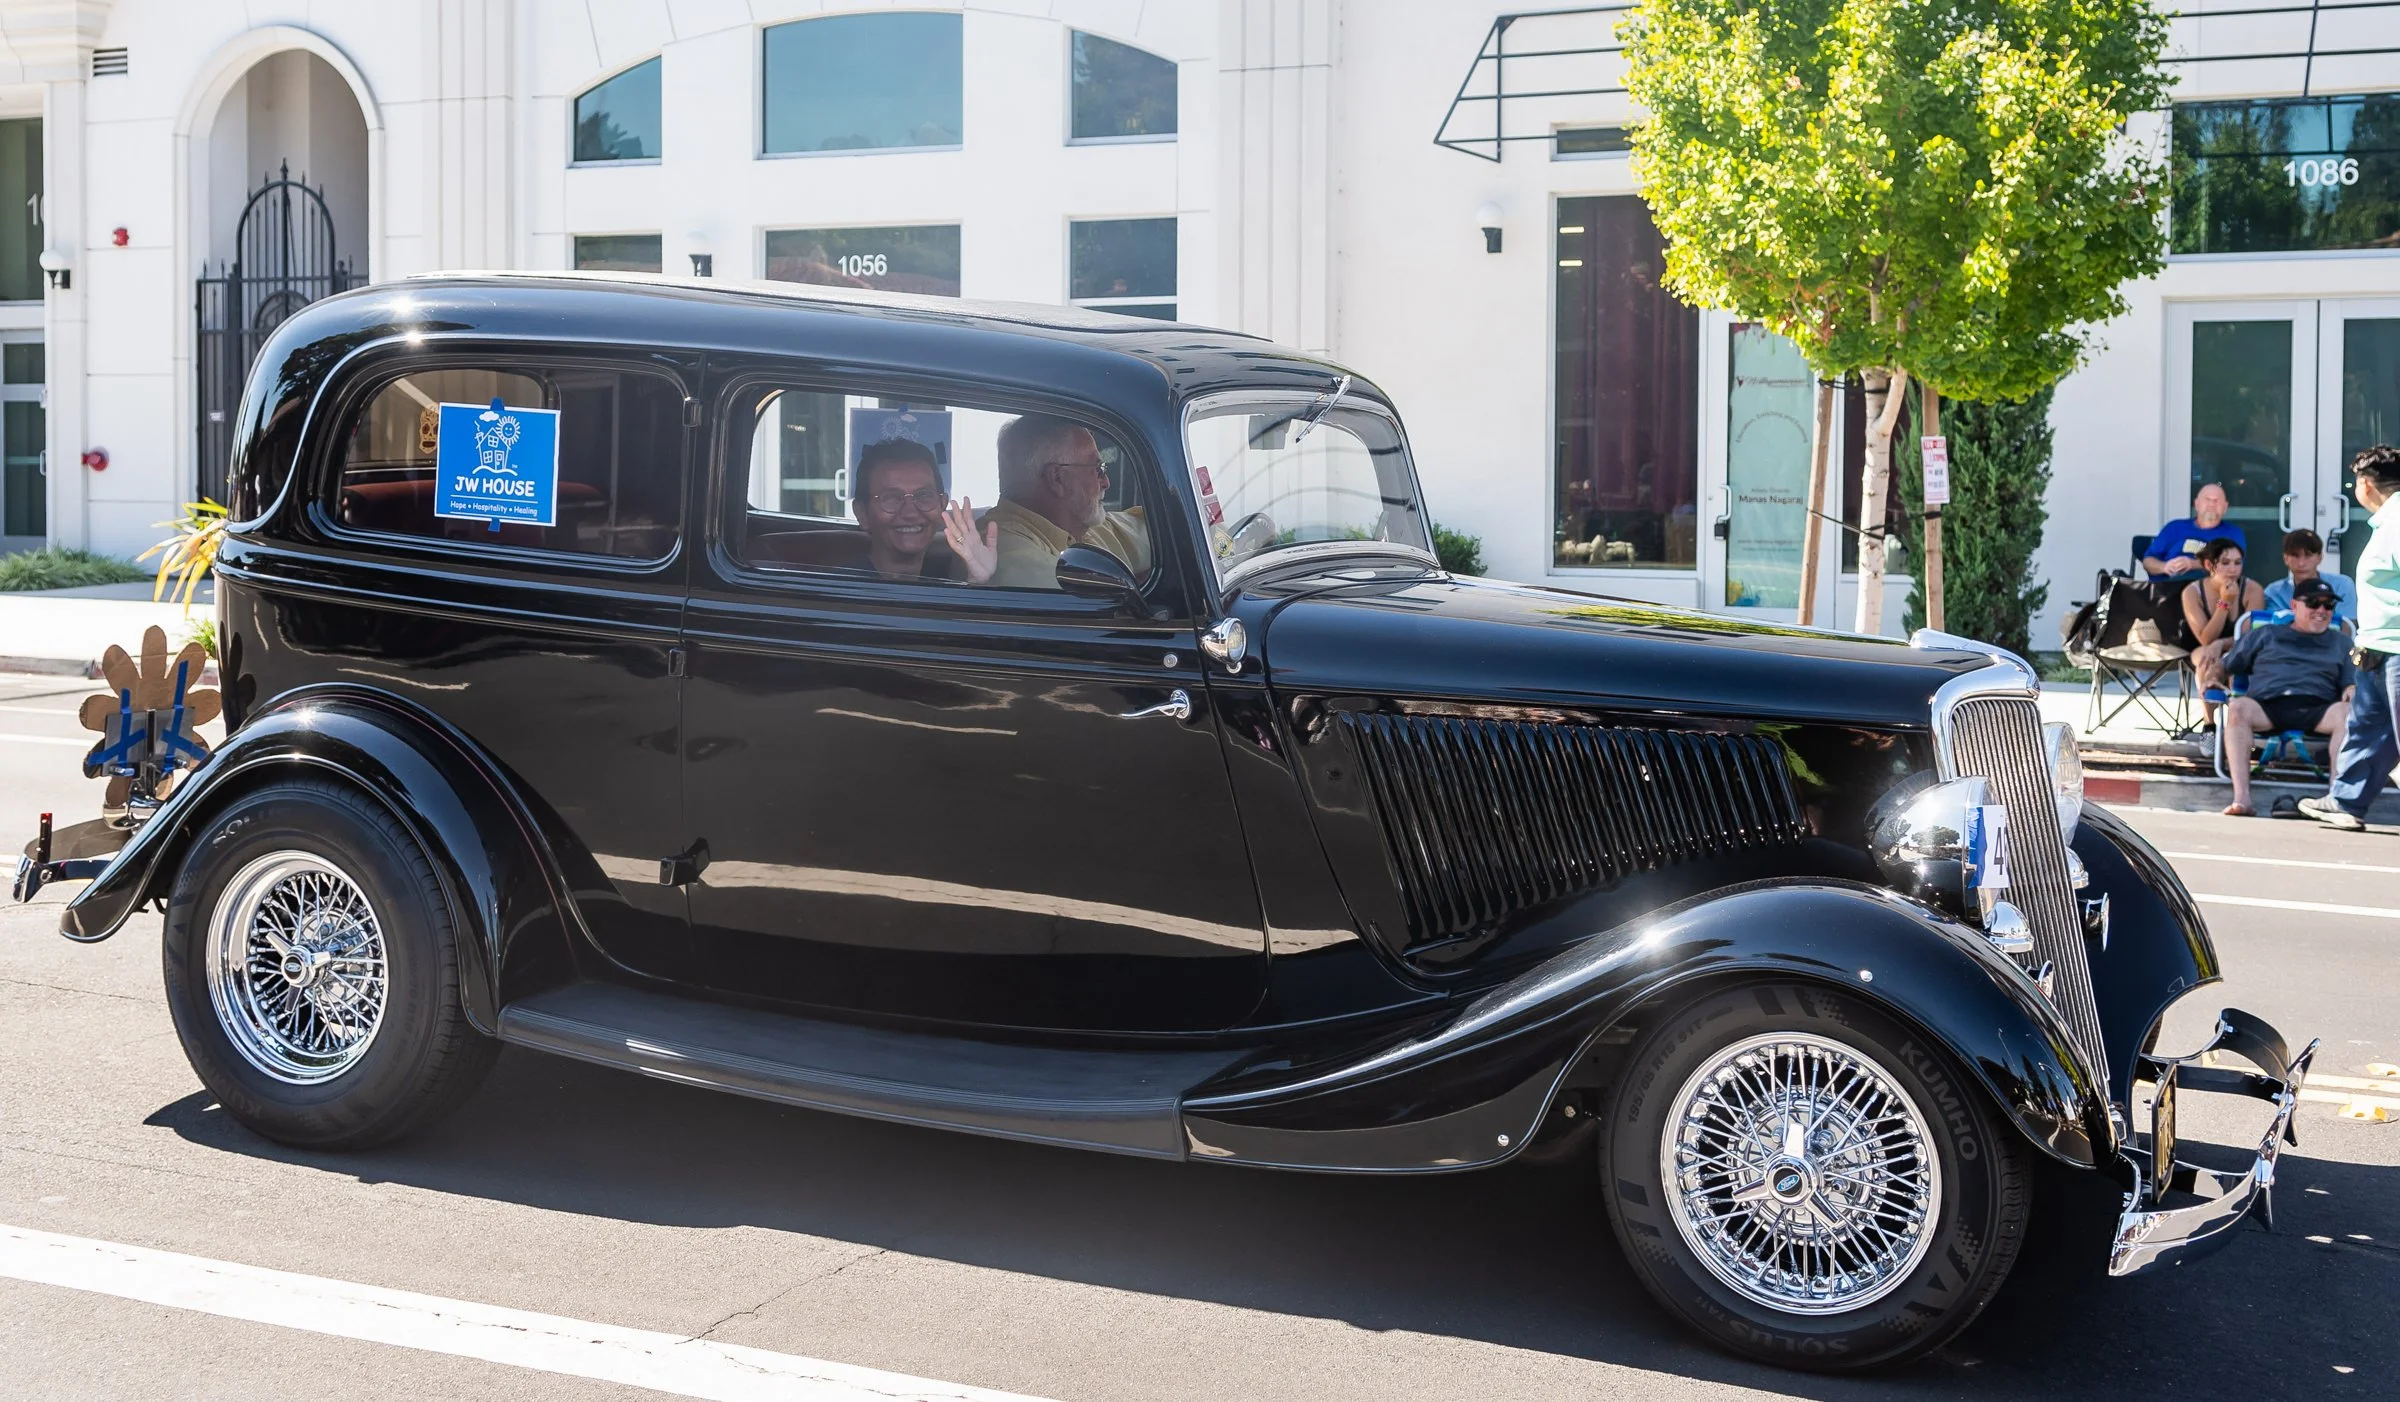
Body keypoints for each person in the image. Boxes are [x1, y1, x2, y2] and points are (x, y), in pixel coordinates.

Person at [2305, 444, 2400, 830]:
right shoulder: (2386, 522)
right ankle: (2346, 801)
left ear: (2365, 485)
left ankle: (2346, 800)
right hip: (2377, 646)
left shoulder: (2398, 522)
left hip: (2397, 648)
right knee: (2368, 729)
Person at [2219, 577, 2353, 816]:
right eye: (2313, 603)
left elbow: (2351, 681)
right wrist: (2212, 677)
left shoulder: (2341, 642)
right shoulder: (2266, 634)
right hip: (2267, 706)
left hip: (2319, 708)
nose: (2322, 610)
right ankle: (2242, 799)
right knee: (2238, 707)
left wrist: (2352, 689)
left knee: (2347, 713)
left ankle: (2336, 799)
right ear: (2294, 605)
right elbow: (2227, 665)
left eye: (2328, 605)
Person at [981, 414, 1150, 589]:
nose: (1106, 482)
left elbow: (1158, 527)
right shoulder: (997, 547)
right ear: (1057, 478)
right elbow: (1089, 597)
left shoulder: (1084, 525)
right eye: (1097, 469)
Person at [849, 439, 997, 583]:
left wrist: (978, 581)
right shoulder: (843, 586)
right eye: (892, 498)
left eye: (923, 496)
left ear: (942, 505)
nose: (910, 513)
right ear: (862, 513)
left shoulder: (943, 581)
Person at [2181, 537, 2265, 727]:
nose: (2233, 569)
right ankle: (2209, 725)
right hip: (2204, 647)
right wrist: (2225, 603)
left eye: (2237, 563)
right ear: (2209, 565)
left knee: (2237, 662)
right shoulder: (2192, 592)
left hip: (2240, 647)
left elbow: (2247, 638)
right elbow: (2206, 639)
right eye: (2225, 563)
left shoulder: (2252, 589)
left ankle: (2238, 724)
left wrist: (2221, 644)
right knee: (2207, 660)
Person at [2143, 483, 2246, 577]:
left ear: (2225, 507)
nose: (2212, 504)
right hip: (2167, 587)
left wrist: (2192, 564)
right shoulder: (2174, 527)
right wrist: (2165, 567)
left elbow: (2233, 565)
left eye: (2216, 501)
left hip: (2208, 589)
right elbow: (2148, 560)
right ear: (2196, 504)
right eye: (2207, 499)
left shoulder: (2233, 533)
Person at [2263, 527, 2357, 626]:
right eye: (2295, 555)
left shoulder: (2342, 585)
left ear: (2320, 557)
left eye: (2308, 555)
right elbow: (2269, 629)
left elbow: (2348, 627)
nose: (2301, 563)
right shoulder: (2274, 592)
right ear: (2285, 558)